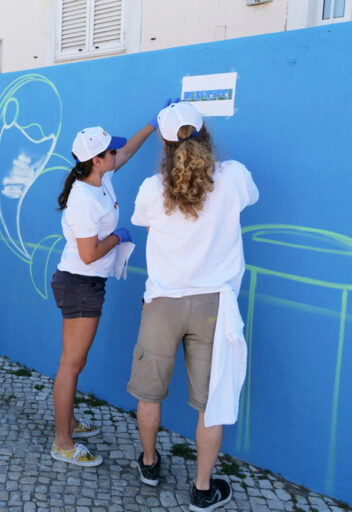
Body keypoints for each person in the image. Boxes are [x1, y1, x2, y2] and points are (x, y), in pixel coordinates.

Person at [128, 102, 258, 512]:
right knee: (211, 401)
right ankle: (202, 489)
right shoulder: (233, 176)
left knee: (150, 393)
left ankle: (150, 464)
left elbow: (146, 222)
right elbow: (248, 198)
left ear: (164, 144)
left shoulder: (152, 189)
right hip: (214, 306)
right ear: (205, 135)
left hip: (164, 301)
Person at [49, 120, 156, 467]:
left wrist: (152, 125)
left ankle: (69, 422)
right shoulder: (84, 198)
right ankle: (63, 442)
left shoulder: (101, 178)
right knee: (71, 364)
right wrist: (118, 237)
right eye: (109, 151)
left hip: (87, 284)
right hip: (80, 284)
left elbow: (126, 152)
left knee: (74, 363)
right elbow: (88, 254)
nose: (116, 153)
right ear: (96, 159)